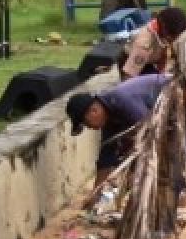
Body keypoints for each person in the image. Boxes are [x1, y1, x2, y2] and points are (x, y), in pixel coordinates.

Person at [67, 74, 170, 205]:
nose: (90, 128)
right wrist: (95, 194)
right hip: (156, 119)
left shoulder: (122, 101)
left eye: (87, 124)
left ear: (93, 111)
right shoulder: (108, 114)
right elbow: (106, 157)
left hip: (177, 103)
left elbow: (151, 133)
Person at [121, 6, 186, 79]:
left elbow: (164, 52)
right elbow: (128, 77)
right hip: (132, 64)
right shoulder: (144, 45)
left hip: (151, 60)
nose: (177, 38)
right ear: (166, 32)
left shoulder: (163, 31)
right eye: (176, 36)